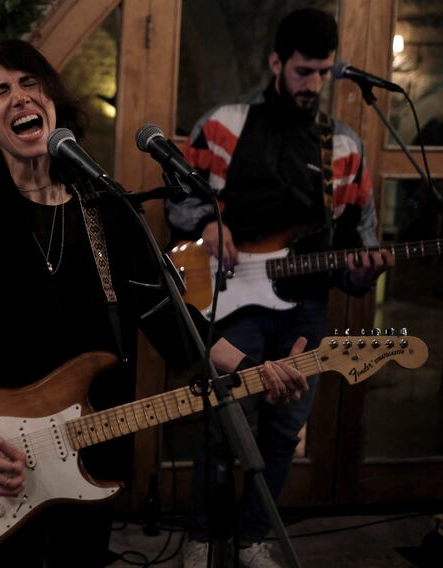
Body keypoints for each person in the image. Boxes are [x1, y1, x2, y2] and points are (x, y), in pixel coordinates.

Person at [0, 39, 309, 567]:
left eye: (30, 83)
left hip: (88, 455)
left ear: (53, 104)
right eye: (1, 91)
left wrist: (255, 369)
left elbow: (171, 320)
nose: (20, 98)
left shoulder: (105, 209)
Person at [165, 8, 395, 568]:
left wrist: (364, 271)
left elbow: (355, 244)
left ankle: (252, 538)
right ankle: (199, 534)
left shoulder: (342, 147)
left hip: (305, 306)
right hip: (232, 294)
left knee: (286, 425)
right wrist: (206, 223)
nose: (313, 85)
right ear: (276, 63)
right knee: (224, 420)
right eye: (302, 72)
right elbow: (178, 194)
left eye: (322, 73)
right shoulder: (224, 123)